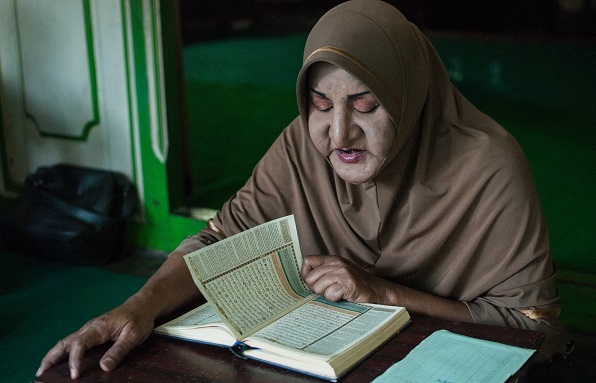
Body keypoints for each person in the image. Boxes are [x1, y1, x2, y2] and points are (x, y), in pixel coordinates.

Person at [37, 0, 565, 379]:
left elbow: (531, 330)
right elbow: (220, 238)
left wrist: (383, 294)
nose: (338, 135)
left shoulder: (487, 166)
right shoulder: (302, 146)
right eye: (319, 103)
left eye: (365, 106)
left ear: (411, 95)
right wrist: (140, 306)